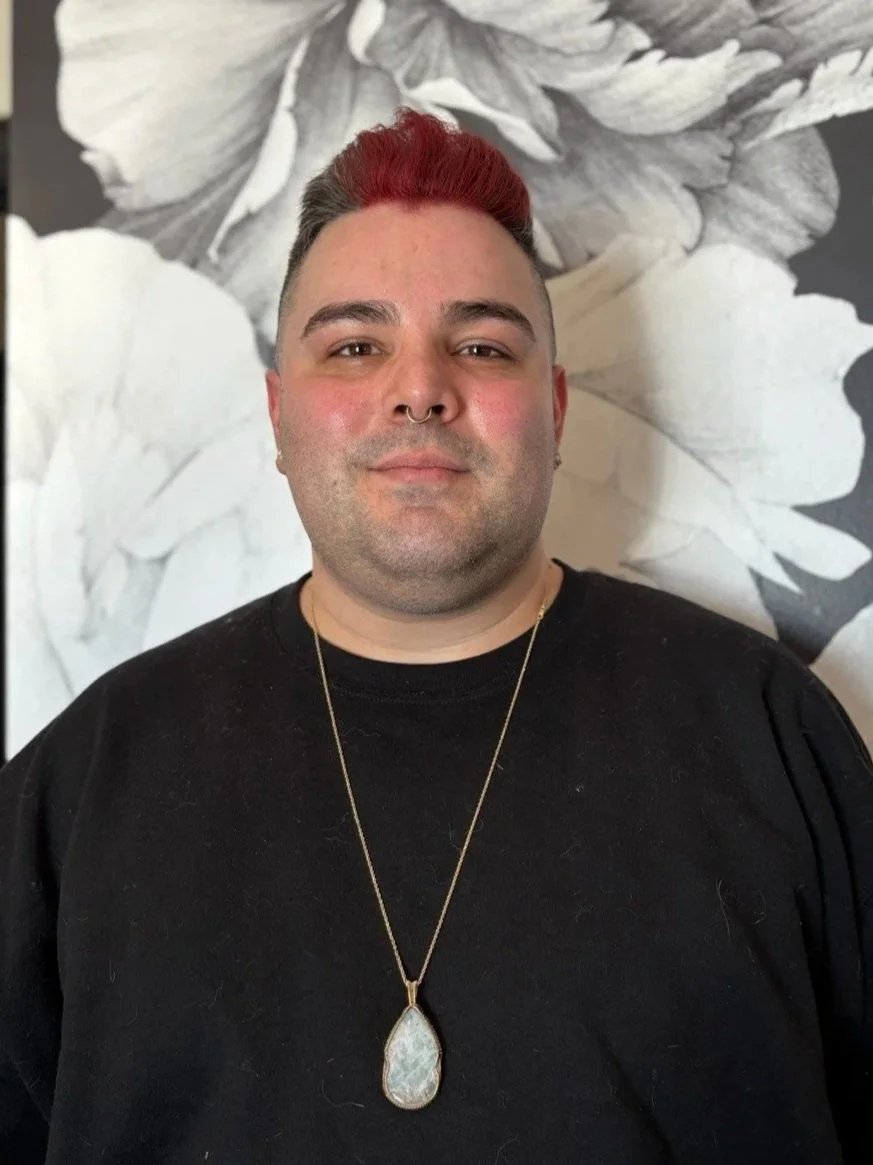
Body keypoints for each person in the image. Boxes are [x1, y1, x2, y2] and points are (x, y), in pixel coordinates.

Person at [1, 107, 871, 1165]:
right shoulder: (81, 789)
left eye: (480, 343)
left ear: (554, 409)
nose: (419, 387)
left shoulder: (774, 739)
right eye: (357, 344)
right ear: (277, 416)